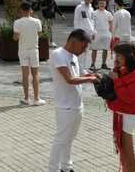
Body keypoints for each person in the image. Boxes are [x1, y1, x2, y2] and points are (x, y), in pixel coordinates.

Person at [48, 29, 100, 172]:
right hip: (65, 106)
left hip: (77, 105)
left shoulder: (74, 56)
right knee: (60, 139)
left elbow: (81, 73)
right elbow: (70, 79)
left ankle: (66, 166)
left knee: (69, 139)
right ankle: (53, 169)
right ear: (74, 41)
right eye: (83, 46)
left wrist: (94, 75)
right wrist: (90, 79)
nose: (84, 51)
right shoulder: (58, 54)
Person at [107, 43, 135, 172]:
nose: (116, 58)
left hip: (128, 116)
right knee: (124, 153)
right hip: (121, 114)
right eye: (115, 55)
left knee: (128, 154)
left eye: (118, 55)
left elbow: (129, 97)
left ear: (128, 56)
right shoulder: (125, 70)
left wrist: (117, 80)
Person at [13, 2, 45, 106]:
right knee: (35, 74)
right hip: (34, 49)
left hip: (23, 50)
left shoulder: (17, 22)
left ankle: (26, 98)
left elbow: (15, 38)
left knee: (25, 75)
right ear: (30, 10)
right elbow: (40, 34)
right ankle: (36, 99)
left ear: (21, 10)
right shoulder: (37, 21)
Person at [73, 0, 95, 73]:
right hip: (81, 31)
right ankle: (78, 67)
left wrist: (93, 32)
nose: (88, 1)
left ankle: (84, 68)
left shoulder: (91, 8)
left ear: (91, 0)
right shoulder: (79, 7)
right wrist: (76, 31)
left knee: (86, 50)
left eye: (89, 0)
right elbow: (76, 19)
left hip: (89, 32)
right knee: (80, 50)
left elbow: (92, 21)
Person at [91, 0, 113, 70]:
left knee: (105, 49)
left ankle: (103, 64)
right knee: (94, 49)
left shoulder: (108, 13)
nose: (102, 4)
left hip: (106, 33)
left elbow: (111, 23)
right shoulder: (94, 13)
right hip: (96, 33)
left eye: (103, 3)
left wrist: (111, 33)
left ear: (106, 4)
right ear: (98, 4)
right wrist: (92, 32)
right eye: (100, 3)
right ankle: (92, 64)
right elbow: (92, 24)